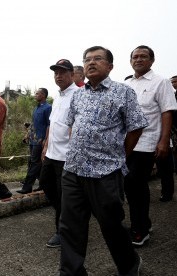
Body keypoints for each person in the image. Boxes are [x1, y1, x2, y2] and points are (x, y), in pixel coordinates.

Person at [59, 46, 148, 276]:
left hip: (106, 172)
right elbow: (72, 126)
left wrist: (120, 156)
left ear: (110, 66)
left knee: (111, 226)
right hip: (73, 170)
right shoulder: (78, 94)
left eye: (98, 59)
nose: (91, 62)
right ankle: (71, 272)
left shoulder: (123, 92)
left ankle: (129, 265)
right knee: (70, 227)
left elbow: (135, 128)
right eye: (87, 59)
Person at [124, 45, 177, 246]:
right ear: (130, 61)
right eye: (135, 56)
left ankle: (140, 231)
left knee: (135, 185)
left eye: (143, 56)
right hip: (128, 143)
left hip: (147, 143)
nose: (138, 59)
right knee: (131, 186)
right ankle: (143, 223)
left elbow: (167, 112)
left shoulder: (161, 82)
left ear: (152, 60)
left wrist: (164, 141)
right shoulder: (127, 84)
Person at [39, 59, 77, 248]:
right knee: (45, 184)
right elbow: (52, 125)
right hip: (52, 154)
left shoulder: (79, 95)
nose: (58, 76)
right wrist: (46, 145)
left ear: (72, 74)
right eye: (56, 73)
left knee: (64, 195)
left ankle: (62, 232)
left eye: (62, 72)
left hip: (67, 156)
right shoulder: (58, 96)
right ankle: (69, 216)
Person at [17, 88, 51, 194]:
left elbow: (50, 125)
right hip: (33, 140)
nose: (35, 95)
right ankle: (44, 184)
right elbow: (33, 124)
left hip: (40, 141)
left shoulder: (48, 108)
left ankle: (27, 187)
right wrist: (27, 135)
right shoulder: (36, 108)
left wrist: (46, 140)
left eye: (37, 93)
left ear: (43, 95)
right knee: (34, 162)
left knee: (35, 163)